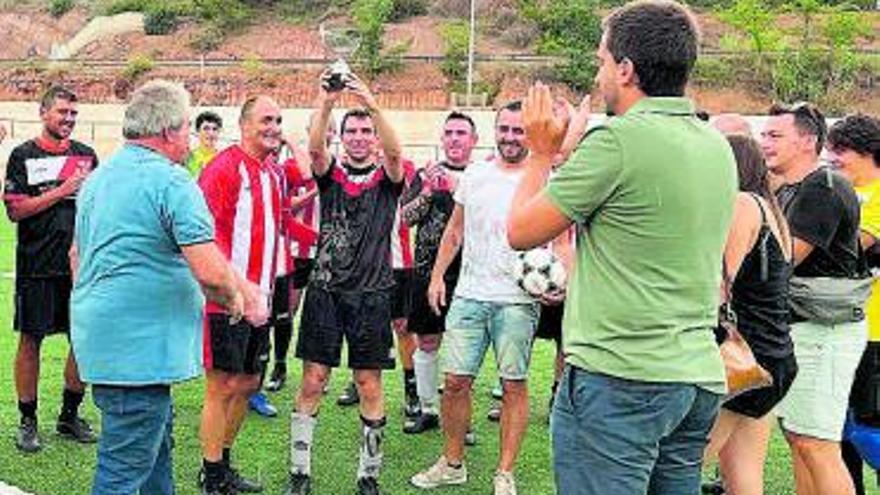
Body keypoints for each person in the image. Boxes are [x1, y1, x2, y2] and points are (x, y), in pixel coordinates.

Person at [507, 1, 738, 493]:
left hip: (621, 378)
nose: (599, 74)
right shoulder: (714, 144)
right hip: (694, 374)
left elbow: (521, 231)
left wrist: (543, 153)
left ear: (627, 70)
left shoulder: (616, 143)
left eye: (602, 61)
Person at [70, 80, 266, 495]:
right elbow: (210, 272)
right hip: (138, 352)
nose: (191, 138)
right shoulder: (172, 181)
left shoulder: (100, 178)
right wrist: (236, 300)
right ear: (168, 131)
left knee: (156, 449)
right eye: (187, 127)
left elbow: (76, 257)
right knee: (123, 469)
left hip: (109, 342)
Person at [410, 101, 539, 495]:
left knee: (513, 384)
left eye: (519, 131)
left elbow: (561, 235)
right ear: (494, 131)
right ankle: (452, 463)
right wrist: (436, 277)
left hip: (517, 301)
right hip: (468, 295)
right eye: (505, 129)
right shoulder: (477, 174)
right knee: (454, 383)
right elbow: (455, 231)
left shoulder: (542, 177)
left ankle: (504, 473)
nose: (511, 137)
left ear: (530, 135)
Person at [285, 73, 404, 495]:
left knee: (369, 382)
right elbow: (315, 148)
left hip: (371, 295)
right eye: (351, 132)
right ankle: (299, 473)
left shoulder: (389, 178)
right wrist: (326, 101)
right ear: (343, 137)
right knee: (313, 379)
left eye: (365, 131)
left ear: (374, 136)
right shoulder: (330, 174)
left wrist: (371, 101)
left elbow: (395, 151)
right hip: (325, 292)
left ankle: (368, 476)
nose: (358, 137)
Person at [763, 101, 869, 495]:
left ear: (807, 142)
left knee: (817, 443)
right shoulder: (795, 187)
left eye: (775, 136)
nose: (765, 144)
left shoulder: (822, 188)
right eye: (763, 135)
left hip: (825, 331)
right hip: (805, 328)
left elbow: (781, 261)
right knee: (800, 438)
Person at [4, 85, 99, 453]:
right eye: (62, 112)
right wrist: (62, 191)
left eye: (73, 113)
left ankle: (68, 416)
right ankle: (27, 421)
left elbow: (96, 208)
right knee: (31, 341)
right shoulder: (23, 155)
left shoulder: (87, 156)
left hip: (80, 268)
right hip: (37, 266)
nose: (69, 119)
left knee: (83, 340)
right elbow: (16, 211)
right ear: (44, 113)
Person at [702, 135, 797, 495]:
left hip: (744, 360)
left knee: (683, 462)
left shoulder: (742, 204)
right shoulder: (773, 211)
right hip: (774, 357)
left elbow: (719, 285)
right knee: (743, 475)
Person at [197, 95, 283, 495]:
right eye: (266, 119)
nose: (274, 127)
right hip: (225, 300)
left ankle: (224, 461)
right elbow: (204, 237)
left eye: (279, 121)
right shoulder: (223, 168)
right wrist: (234, 288)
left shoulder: (271, 172)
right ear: (245, 124)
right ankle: (211, 475)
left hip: (262, 298)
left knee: (248, 383)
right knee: (223, 386)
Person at [402, 111, 478, 435]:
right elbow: (404, 219)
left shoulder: (483, 175)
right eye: (449, 133)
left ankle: (461, 416)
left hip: (470, 273)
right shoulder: (425, 175)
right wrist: (428, 192)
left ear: (473, 140)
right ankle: (429, 408)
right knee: (427, 341)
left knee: (465, 347)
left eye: (461, 133)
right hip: (427, 271)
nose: (454, 138)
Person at [824, 113, 880, 495]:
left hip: (875, 333)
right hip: (844, 331)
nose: (831, 157)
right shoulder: (842, 193)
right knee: (838, 433)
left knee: (870, 431)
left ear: (869, 153)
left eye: (840, 150)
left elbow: (848, 247)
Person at [265, 114, 332, 393]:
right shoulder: (293, 165)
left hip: (327, 252)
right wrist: (314, 193)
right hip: (297, 251)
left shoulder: (338, 168)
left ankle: (318, 372)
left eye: (329, 129)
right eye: (319, 128)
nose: (324, 133)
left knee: (323, 314)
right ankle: (279, 365)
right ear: (309, 130)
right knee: (286, 311)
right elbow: (284, 207)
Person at [186, 111, 223, 177]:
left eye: (215, 129)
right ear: (197, 132)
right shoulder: (188, 158)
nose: (211, 133)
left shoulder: (224, 159)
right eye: (206, 128)